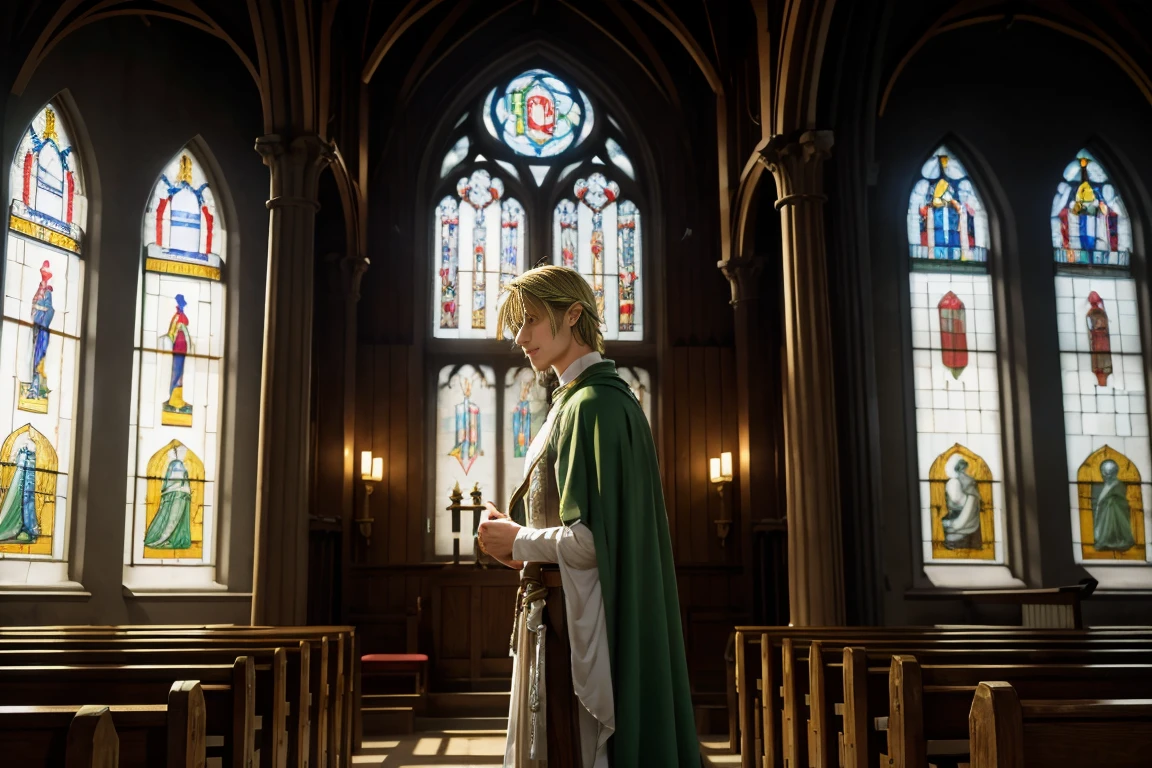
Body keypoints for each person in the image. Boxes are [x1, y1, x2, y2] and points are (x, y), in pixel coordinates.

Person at [477, 265, 699, 767]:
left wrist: (517, 540)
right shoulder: (579, 402)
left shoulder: (592, 405)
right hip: (555, 608)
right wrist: (518, 545)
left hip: (575, 623)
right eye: (517, 323)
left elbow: (591, 542)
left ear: (573, 314)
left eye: (531, 319)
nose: (520, 337)